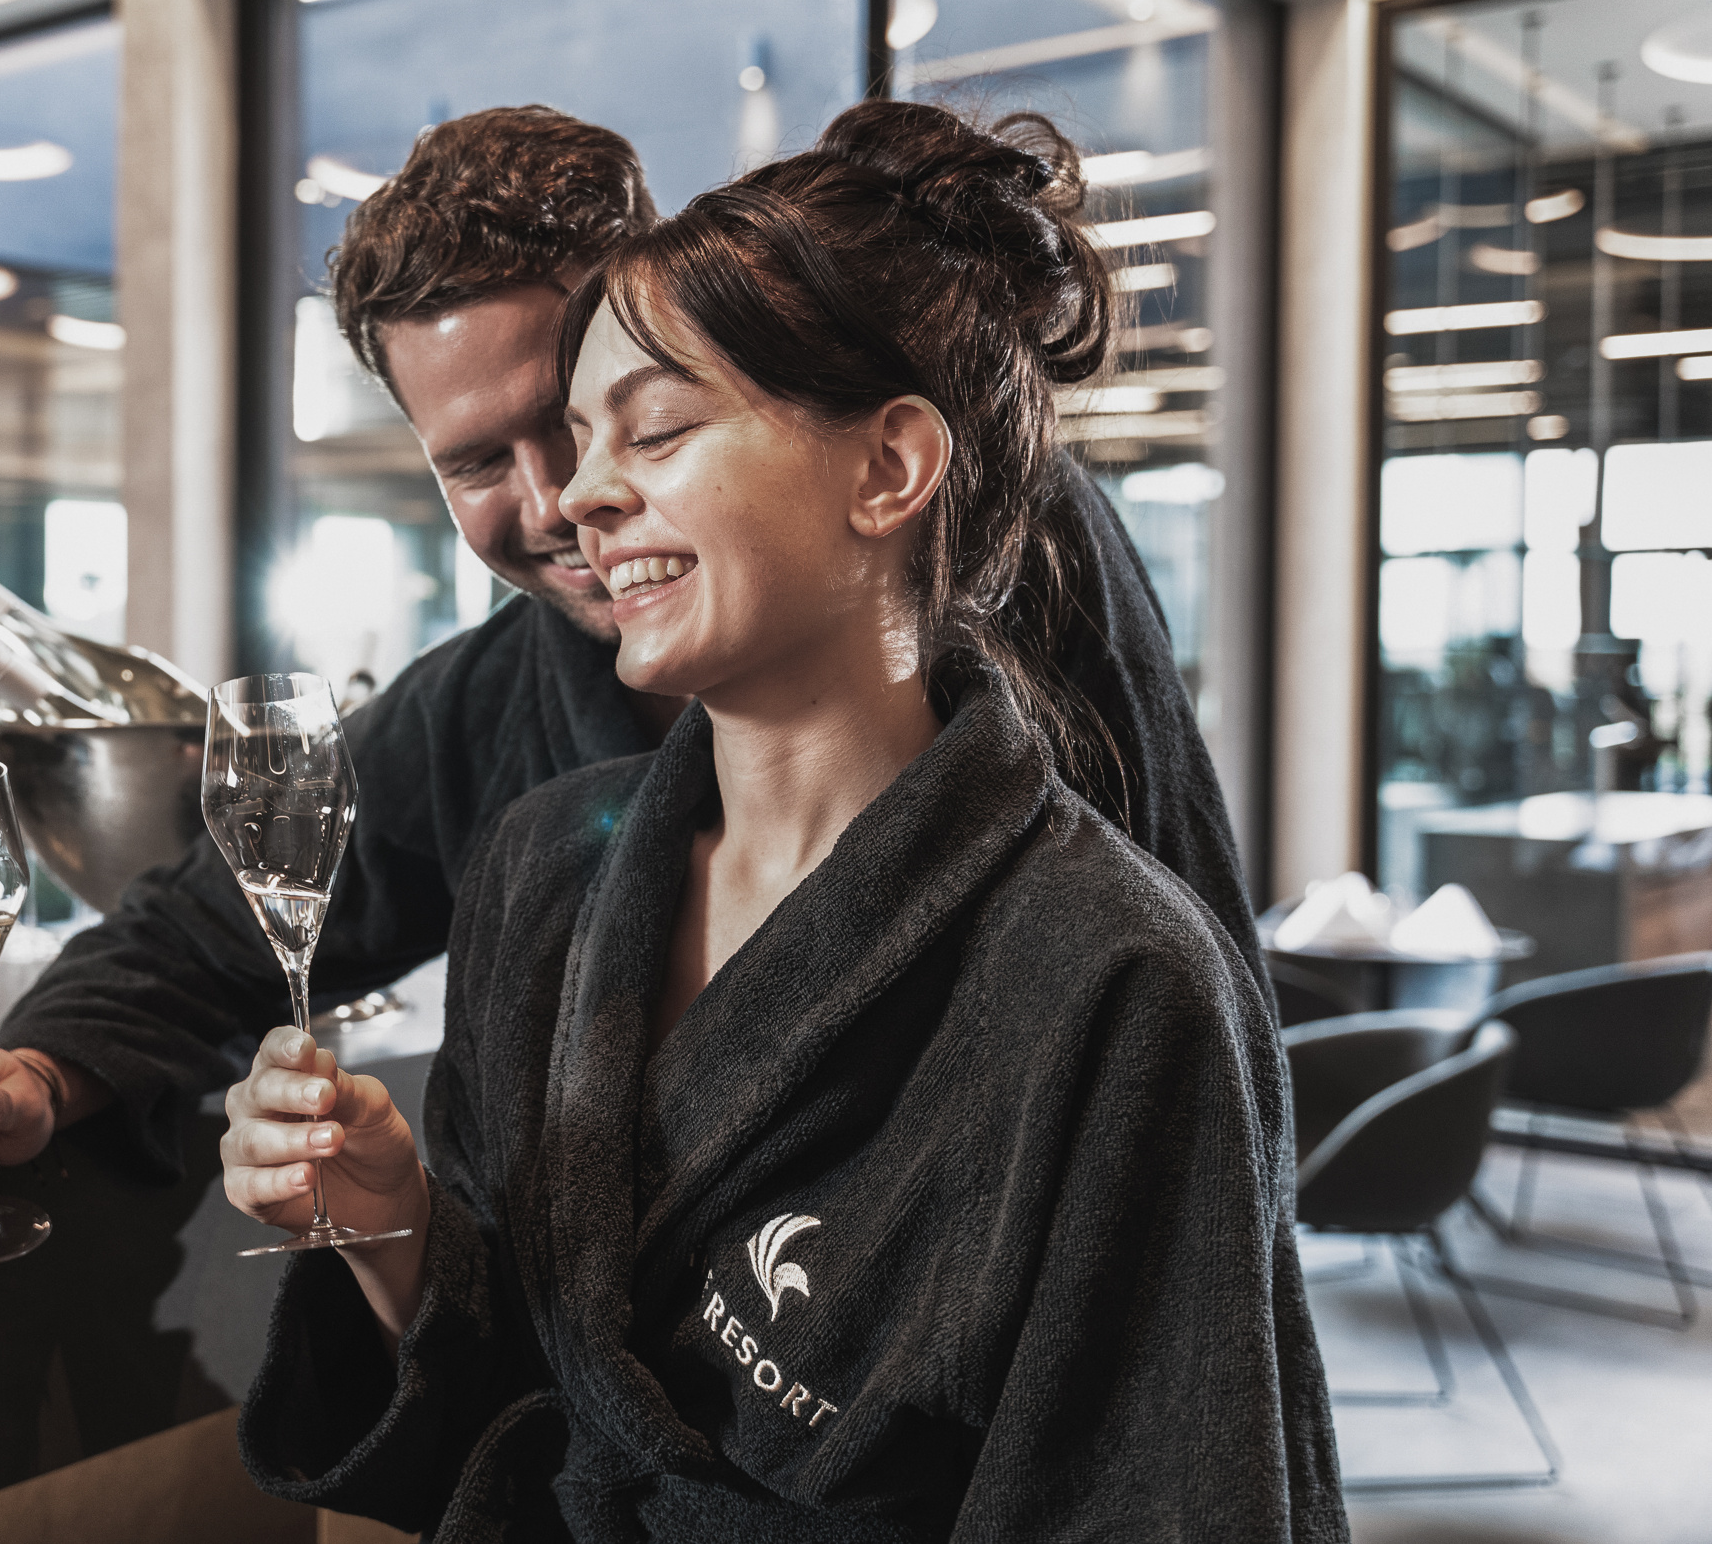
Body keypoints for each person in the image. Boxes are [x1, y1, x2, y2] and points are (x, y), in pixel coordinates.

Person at [221, 100, 1343, 1542]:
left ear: (889, 468)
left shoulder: (1116, 983)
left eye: (659, 428)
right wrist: (386, 1218)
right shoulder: (545, 876)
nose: (582, 495)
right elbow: (511, 1389)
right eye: (572, 437)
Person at [0, 105, 1258, 1212]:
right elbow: (208, 926)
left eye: (607, 418)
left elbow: (1193, 1005)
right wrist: (26, 1072)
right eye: (475, 461)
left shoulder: (1020, 552)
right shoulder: (489, 712)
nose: (559, 499)